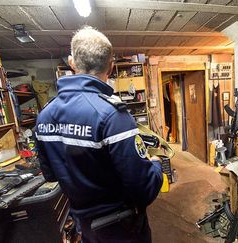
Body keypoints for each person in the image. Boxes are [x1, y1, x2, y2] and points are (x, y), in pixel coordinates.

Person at [35, 26, 163, 243]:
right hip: (122, 227)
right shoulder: (112, 115)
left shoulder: (45, 115)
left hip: (85, 225)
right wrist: (156, 165)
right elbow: (143, 189)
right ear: (111, 67)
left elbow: (51, 175)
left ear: (71, 62)